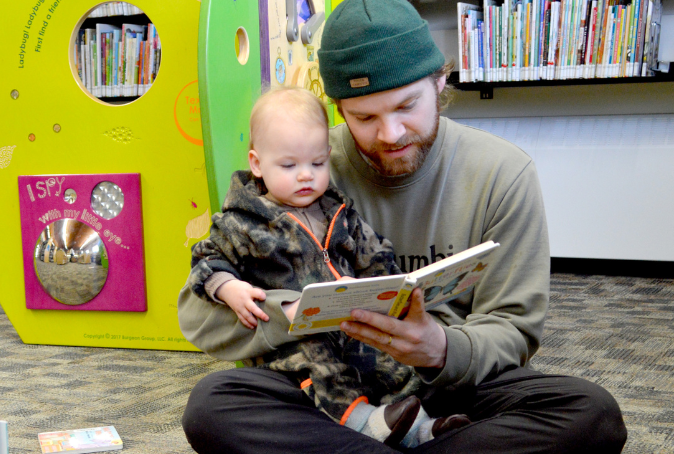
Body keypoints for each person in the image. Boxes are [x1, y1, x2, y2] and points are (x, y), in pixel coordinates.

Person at [179, 0, 628, 452]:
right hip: (330, 379)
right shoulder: (304, 161)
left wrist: (439, 349)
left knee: (591, 415)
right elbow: (199, 315)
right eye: (364, 117)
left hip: (447, 383)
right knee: (213, 405)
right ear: (339, 109)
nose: (390, 133)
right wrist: (292, 312)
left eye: (407, 105)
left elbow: (515, 328)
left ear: (440, 81)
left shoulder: (502, 173)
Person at [187, 87, 470, 448]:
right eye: (289, 166)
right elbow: (205, 260)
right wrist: (228, 287)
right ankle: (365, 424)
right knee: (321, 366)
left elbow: (375, 254)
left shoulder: (338, 211)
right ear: (257, 164)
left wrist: (390, 286)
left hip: (354, 326)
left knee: (393, 362)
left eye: (317, 164)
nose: (306, 176)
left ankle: (420, 428)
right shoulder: (242, 223)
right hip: (296, 343)